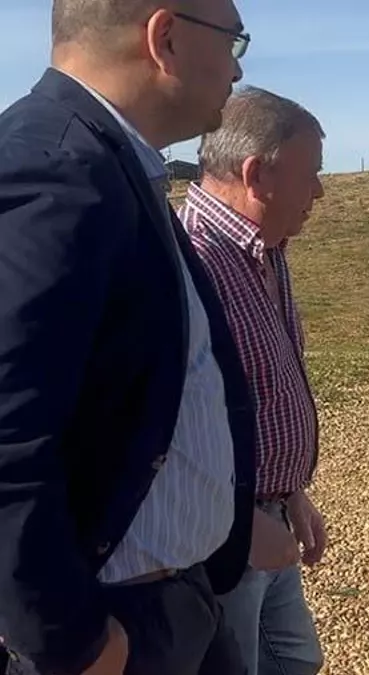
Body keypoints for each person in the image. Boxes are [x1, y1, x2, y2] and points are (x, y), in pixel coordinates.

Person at [0, 0, 261, 673]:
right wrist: (69, 639)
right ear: (165, 37)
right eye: (233, 41)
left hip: (176, 600)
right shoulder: (56, 168)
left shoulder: (108, 160)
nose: (238, 70)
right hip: (116, 622)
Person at [181, 86, 328, 675]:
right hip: (220, 537)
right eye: (310, 174)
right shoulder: (192, 258)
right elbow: (169, 426)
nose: (320, 191)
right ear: (257, 175)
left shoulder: (267, 247)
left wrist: (291, 492)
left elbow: (260, 392)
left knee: (294, 661)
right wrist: (239, 525)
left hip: (270, 516)